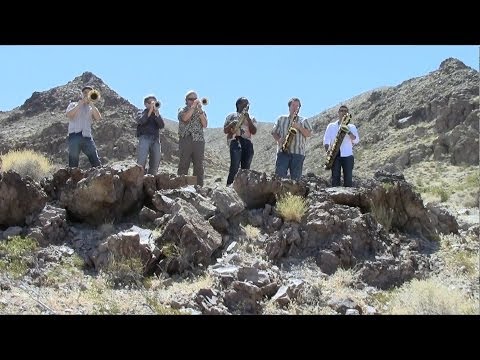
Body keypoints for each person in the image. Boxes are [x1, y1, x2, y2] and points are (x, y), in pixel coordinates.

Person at [271, 97, 312, 180]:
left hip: (298, 153)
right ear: (289, 106)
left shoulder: (304, 120)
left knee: (296, 179)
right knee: (280, 177)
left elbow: (309, 134)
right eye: (293, 105)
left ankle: (294, 193)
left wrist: (299, 127)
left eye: (298, 106)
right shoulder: (281, 119)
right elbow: (273, 132)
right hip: (283, 152)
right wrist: (279, 139)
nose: (295, 108)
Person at [223, 97, 257, 186]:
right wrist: (232, 124)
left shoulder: (252, 117)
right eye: (244, 104)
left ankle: (243, 187)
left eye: (247, 104)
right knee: (235, 165)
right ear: (238, 105)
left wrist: (248, 119)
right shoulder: (231, 116)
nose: (246, 106)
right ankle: (229, 186)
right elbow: (225, 131)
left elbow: (254, 131)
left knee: (246, 168)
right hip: (235, 140)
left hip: (247, 142)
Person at [65, 85, 102, 168]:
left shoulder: (91, 108)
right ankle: (72, 179)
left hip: (87, 137)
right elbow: (69, 115)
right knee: (73, 164)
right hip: (74, 136)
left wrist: (92, 104)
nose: (87, 94)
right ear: (81, 94)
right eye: (85, 93)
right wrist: (79, 104)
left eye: (89, 93)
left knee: (96, 162)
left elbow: (98, 118)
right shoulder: (73, 104)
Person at [323, 105, 360, 187]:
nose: (343, 112)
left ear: (348, 114)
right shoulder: (331, 126)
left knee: (348, 178)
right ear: (338, 113)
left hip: (347, 155)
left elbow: (356, 140)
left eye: (345, 111)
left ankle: (349, 198)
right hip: (335, 155)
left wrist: (349, 132)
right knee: (335, 177)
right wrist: (328, 151)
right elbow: (326, 140)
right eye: (341, 111)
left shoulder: (351, 127)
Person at [177, 90, 208, 186]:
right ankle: (180, 186)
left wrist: (200, 111)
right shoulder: (182, 109)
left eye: (195, 99)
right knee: (184, 164)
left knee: (199, 166)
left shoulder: (201, 111)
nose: (194, 101)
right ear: (186, 100)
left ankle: (198, 187)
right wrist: (193, 107)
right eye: (191, 99)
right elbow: (185, 118)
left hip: (198, 140)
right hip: (186, 139)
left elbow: (205, 124)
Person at [135, 94, 165, 175]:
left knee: (155, 161)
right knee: (141, 161)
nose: (153, 104)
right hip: (144, 138)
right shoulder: (141, 112)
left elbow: (162, 125)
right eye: (150, 102)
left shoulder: (156, 114)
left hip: (155, 139)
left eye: (154, 102)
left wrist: (156, 114)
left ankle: (150, 182)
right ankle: (138, 182)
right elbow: (142, 121)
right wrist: (150, 110)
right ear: (145, 104)